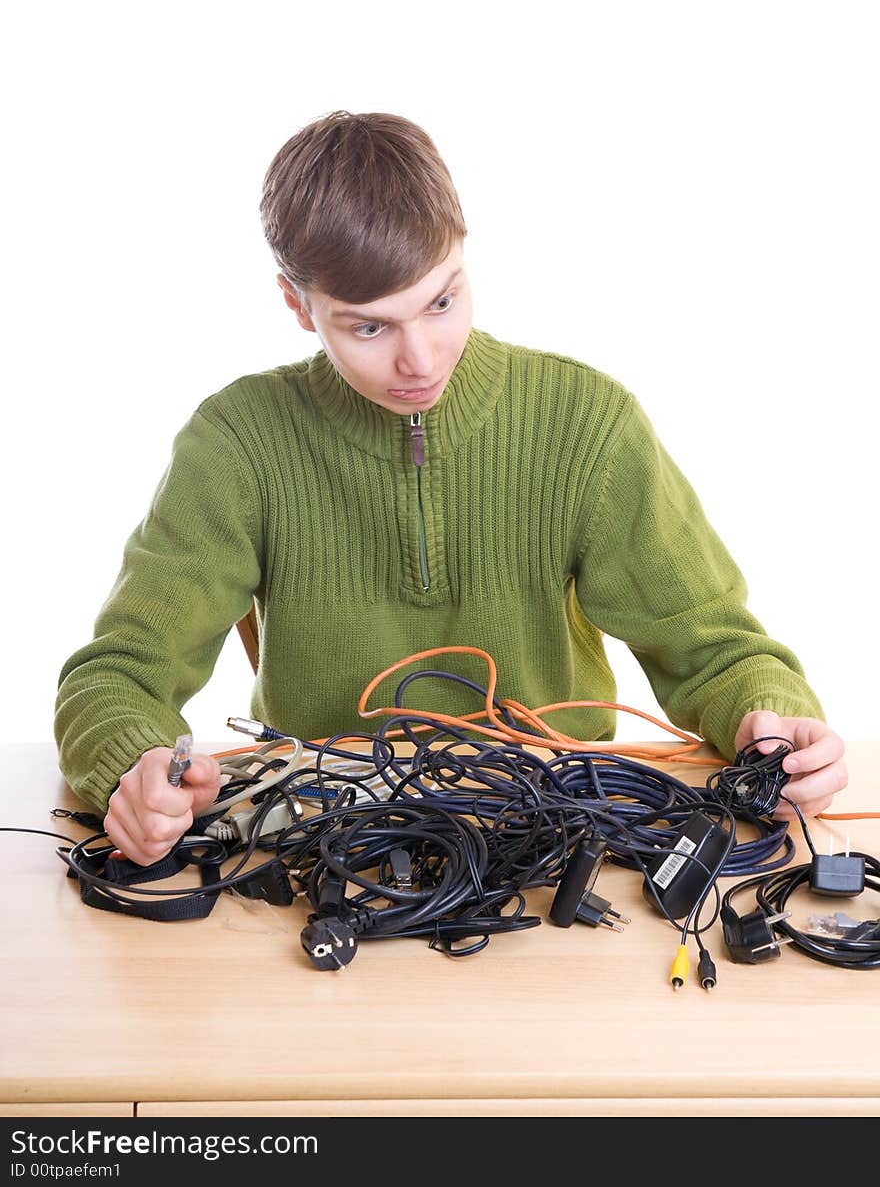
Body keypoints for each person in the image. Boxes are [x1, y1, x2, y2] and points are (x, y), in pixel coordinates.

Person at [54, 110, 847, 867]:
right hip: (328, 848)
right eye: (370, 327)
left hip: (563, 833)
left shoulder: (587, 421)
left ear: (464, 255)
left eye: (443, 300)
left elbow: (715, 648)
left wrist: (771, 719)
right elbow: (116, 673)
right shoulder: (236, 443)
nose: (423, 360)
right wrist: (134, 762)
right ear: (298, 305)